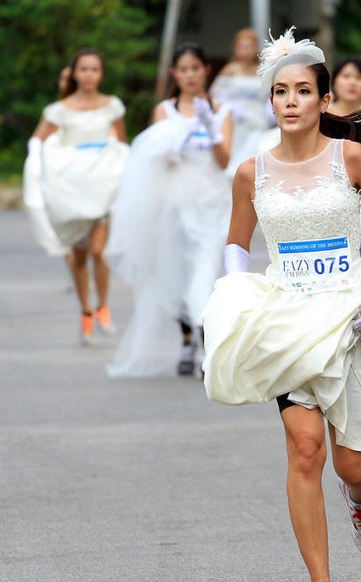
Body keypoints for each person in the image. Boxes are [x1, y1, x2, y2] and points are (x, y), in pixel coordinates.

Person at [201, 27, 361, 582]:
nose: (291, 101)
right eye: (280, 91)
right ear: (271, 102)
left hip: (350, 314)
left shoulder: (349, 156)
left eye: (303, 90)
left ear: (325, 101)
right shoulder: (251, 173)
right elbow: (235, 244)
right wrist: (236, 293)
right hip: (287, 317)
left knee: (352, 466)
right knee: (304, 449)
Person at [106, 44, 232, 377]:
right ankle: (188, 339)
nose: (190, 75)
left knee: (206, 272)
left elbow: (223, 161)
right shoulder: (166, 110)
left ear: (206, 69)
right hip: (175, 203)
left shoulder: (221, 109)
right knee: (176, 270)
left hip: (212, 204)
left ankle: (208, 345)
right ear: (175, 73)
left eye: (196, 68)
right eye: (184, 69)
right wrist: (171, 148)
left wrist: (212, 130)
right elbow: (151, 157)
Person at [30, 49, 129, 343]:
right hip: (71, 188)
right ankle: (85, 310)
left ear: (101, 74)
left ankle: (103, 306)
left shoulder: (112, 106)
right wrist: (41, 162)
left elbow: (120, 142)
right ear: (74, 73)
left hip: (102, 184)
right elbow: (39, 139)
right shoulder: (59, 109)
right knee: (79, 254)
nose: (88, 75)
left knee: (99, 250)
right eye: (83, 69)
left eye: (94, 69)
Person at [24, 66, 72, 258]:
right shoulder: (53, 112)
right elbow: (36, 140)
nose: (66, 83)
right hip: (59, 177)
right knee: (68, 236)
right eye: (63, 78)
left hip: (89, 176)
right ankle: (79, 282)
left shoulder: (101, 108)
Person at [210, 28, 271, 174]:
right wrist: (228, 108)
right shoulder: (230, 69)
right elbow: (213, 95)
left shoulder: (262, 71)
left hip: (258, 120)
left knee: (256, 153)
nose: (245, 50)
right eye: (242, 46)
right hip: (236, 121)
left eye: (249, 46)